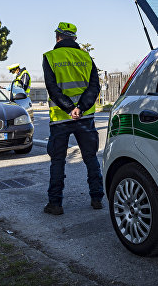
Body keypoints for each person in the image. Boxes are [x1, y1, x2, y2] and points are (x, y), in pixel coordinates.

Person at [42, 22, 103, 215]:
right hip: (85, 118)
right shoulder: (86, 57)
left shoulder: (49, 57)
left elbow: (53, 89)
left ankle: (55, 204)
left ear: (58, 37)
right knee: (91, 158)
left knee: (58, 160)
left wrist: (69, 109)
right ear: (74, 38)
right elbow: (95, 86)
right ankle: (97, 199)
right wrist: (81, 108)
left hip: (61, 118)